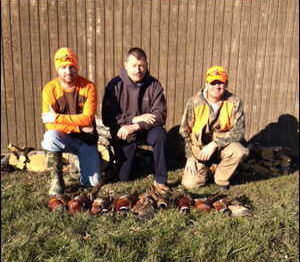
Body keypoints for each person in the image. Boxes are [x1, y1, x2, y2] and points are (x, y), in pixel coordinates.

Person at [102, 47, 169, 193]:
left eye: (141, 66)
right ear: (126, 65)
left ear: (146, 65)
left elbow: (160, 115)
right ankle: (139, 160)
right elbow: (108, 117)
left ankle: (160, 180)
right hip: (124, 134)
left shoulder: (154, 85)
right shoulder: (114, 85)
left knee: (160, 134)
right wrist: (133, 119)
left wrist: (136, 125)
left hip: (147, 130)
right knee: (124, 178)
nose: (138, 70)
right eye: (134, 66)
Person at [41, 47, 101, 195]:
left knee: (92, 184)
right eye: (63, 67)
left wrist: (57, 117)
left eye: (71, 67)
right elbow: (50, 124)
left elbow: (87, 119)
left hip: (86, 140)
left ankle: (77, 160)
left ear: (77, 68)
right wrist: (79, 128)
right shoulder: (50, 89)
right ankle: (56, 180)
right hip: (66, 137)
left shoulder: (88, 87)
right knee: (50, 137)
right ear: (57, 69)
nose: (68, 71)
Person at [179, 66, 249, 190]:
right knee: (190, 185)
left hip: (222, 148)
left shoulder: (234, 102)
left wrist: (215, 144)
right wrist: (190, 157)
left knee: (239, 151)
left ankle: (221, 179)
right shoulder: (194, 103)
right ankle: (210, 170)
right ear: (206, 84)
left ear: (226, 83)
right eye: (213, 83)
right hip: (199, 152)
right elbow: (184, 133)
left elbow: (239, 131)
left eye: (220, 82)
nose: (217, 86)